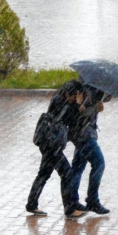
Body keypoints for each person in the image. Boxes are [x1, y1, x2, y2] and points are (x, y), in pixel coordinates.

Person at [26, 80, 86, 219]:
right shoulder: (63, 103)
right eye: (76, 95)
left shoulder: (59, 98)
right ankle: (70, 209)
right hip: (52, 145)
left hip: (47, 142)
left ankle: (31, 204)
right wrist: (77, 105)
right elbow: (73, 120)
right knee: (67, 173)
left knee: (44, 174)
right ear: (72, 93)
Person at [66, 85, 111, 215]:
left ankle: (72, 202)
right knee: (99, 163)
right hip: (84, 135)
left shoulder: (94, 87)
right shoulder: (87, 89)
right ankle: (92, 200)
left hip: (82, 134)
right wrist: (96, 108)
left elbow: (105, 99)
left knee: (77, 168)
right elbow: (80, 114)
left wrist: (106, 94)